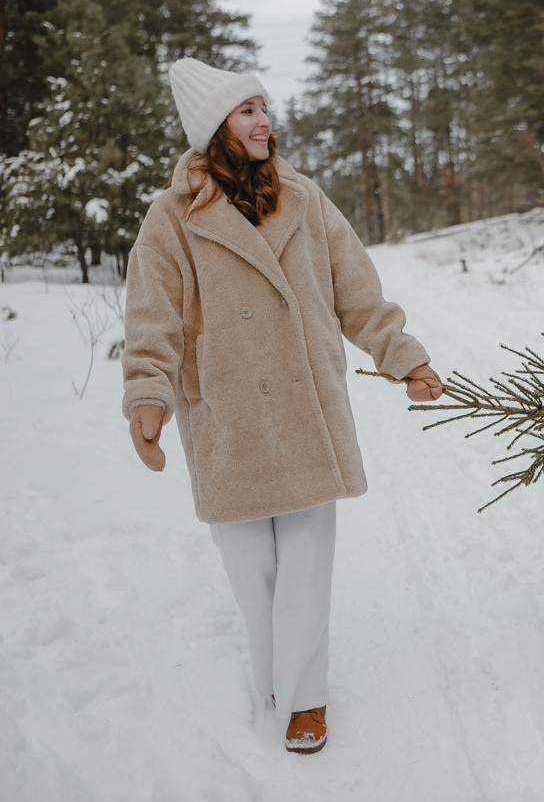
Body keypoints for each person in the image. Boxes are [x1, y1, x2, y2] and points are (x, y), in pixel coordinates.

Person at [122, 57, 443, 755]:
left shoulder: (303, 197)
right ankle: (279, 676)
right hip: (227, 412)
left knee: (304, 556)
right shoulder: (171, 218)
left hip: (303, 403)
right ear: (216, 128)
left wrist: (404, 355)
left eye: (264, 107)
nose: (265, 120)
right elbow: (153, 319)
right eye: (247, 111)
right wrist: (148, 396)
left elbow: (356, 287)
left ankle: (305, 699)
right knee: (249, 567)